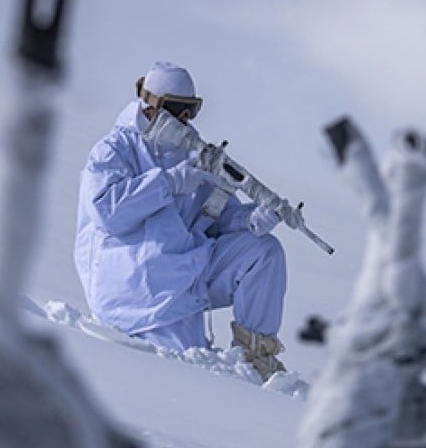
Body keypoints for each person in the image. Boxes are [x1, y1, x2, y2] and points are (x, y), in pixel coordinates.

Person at [74, 61, 289, 381]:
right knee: (184, 373)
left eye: (192, 110)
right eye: (178, 109)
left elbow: (213, 219)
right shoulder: (114, 149)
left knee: (263, 252)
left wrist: (250, 220)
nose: (185, 119)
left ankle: (255, 353)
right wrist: (167, 183)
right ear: (151, 105)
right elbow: (107, 214)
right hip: (135, 284)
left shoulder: (193, 154)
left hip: (182, 271)